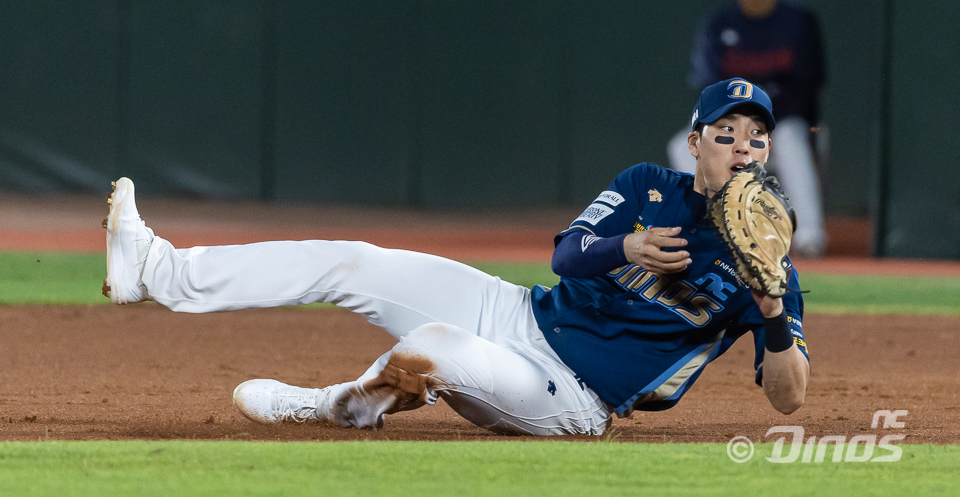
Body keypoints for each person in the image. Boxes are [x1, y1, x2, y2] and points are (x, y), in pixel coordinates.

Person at [103, 78, 809, 436]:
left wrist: (772, 307)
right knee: (351, 260)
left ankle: (328, 407)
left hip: (570, 398)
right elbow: (566, 256)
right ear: (694, 142)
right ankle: (156, 271)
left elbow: (789, 395)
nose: (742, 148)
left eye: (756, 138)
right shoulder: (646, 186)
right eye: (726, 132)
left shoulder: (769, 264)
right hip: (518, 309)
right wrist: (625, 246)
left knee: (431, 348)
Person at [667, 0, 828, 257]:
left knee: (791, 142)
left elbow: (808, 82)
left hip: (780, 121)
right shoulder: (718, 23)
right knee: (683, 145)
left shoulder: (798, 21)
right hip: (729, 120)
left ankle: (810, 236)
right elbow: (708, 84)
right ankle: (713, 229)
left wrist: (758, 120)